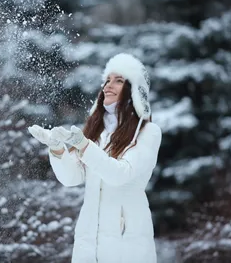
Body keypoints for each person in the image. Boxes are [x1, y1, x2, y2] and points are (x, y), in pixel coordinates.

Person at [28, 53, 162, 263]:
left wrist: (84, 146)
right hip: (88, 241)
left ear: (134, 91)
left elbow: (120, 174)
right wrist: (57, 149)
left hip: (126, 241)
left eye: (119, 80)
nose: (109, 85)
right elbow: (72, 178)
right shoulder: (97, 132)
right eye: (107, 80)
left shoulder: (148, 132)